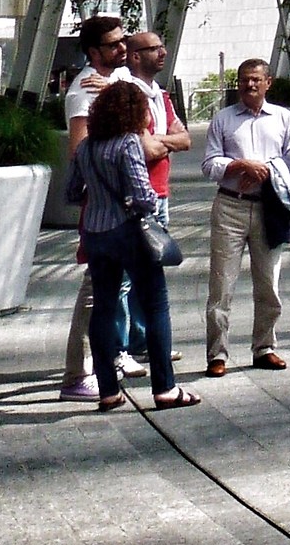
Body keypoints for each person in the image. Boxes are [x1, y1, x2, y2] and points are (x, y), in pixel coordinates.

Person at [63, 79, 195, 411]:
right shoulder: (128, 144)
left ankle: (108, 390)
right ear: (135, 114)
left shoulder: (86, 148)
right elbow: (144, 197)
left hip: (95, 234)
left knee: (104, 310)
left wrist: (99, 198)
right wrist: (138, 200)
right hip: (128, 233)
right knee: (155, 306)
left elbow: (70, 193)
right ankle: (165, 387)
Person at [200, 57, 290, 375]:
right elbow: (209, 164)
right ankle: (217, 354)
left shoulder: (283, 118)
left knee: (269, 283)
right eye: (244, 79)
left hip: (269, 208)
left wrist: (265, 171)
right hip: (230, 206)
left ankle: (265, 348)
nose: (249, 85)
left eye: (256, 79)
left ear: (268, 83)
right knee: (221, 285)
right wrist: (238, 166)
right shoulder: (224, 119)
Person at [58, 14, 135, 402]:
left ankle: (106, 358)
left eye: (124, 41)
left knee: (112, 286)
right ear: (93, 52)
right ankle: (76, 373)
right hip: (104, 206)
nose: (123, 49)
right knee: (94, 290)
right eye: (114, 44)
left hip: (125, 202)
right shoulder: (82, 92)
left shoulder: (117, 82)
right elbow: (79, 151)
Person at [120, 28, 191, 363]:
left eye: (163, 47)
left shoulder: (160, 95)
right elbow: (143, 148)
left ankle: (142, 340)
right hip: (136, 196)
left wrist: (159, 139)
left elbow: (185, 139)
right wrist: (164, 141)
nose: (162, 53)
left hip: (160, 193)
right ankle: (120, 348)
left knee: (151, 271)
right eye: (154, 49)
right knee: (124, 276)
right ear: (135, 56)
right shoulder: (127, 95)